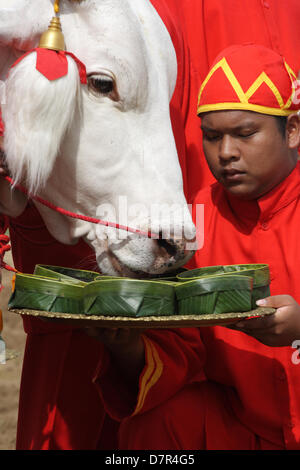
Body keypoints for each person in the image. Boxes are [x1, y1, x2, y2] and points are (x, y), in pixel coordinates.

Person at [104, 44, 300, 450]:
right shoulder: (190, 224)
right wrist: (125, 344)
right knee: (157, 425)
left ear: (293, 130)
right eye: (212, 137)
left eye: (245, 134)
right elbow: (180, 347)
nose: (226, 152)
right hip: (245, 428)